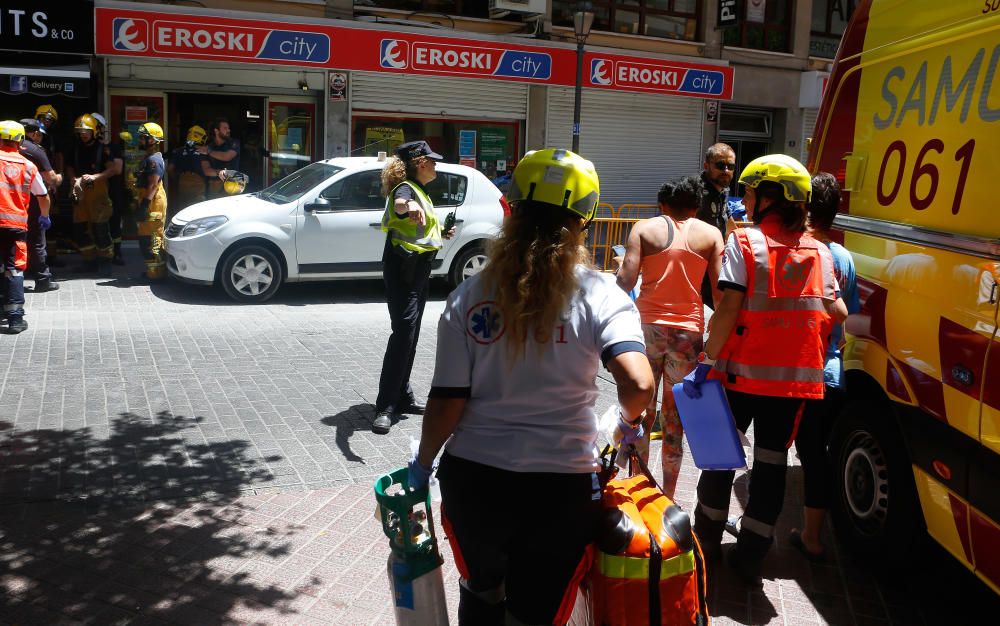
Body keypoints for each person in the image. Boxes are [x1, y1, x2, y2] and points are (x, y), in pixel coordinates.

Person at [408, 148, 654, 625]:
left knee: (482, 592)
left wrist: (421, 463)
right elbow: (639, 382)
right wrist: (628, 422)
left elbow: (448, 400)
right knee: (536, 609)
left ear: (513, 209)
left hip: (475, 481)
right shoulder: (602, 295)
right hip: (561, 488)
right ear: (585, 219)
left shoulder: (470, 295)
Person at [683, 154, 848, 584]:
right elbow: (838, 310)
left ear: (770, 198)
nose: (746, 199)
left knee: (720, 461)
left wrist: (706, 359)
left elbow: (728, 307)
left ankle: (708, 541)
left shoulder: (746, 244)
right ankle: (752, 551)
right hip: (792, 385)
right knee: (772, 464)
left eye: (751, 192)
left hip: (738, 376)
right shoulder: (822, 254)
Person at [616, 175, 724, 497]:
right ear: (695, 207)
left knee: (641, 414)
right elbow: (720, 296)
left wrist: (621, 263)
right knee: (674, 421)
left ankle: (639, 490)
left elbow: (625, 280)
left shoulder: (644, 229)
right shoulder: (711, 235)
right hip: (687, 335)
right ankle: (669, 497)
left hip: (647, 328)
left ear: (663, 204)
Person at [789, 172, 860, 561]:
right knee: (816, 453)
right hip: (831, 372)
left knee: (783, 449)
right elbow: (844, 324)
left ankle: (780, 534)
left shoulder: (795, 250)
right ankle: (813, 534)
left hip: (793, 370)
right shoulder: (845, 258)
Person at [371, 140, 455, 434]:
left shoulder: (421, 191)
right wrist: (411, 207)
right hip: (402, 273)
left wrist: (442, 232)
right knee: (404, 331)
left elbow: (417, 230)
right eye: (432, 161)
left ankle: (402, 396)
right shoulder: (405, 190)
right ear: (420, 163)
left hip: (418, 272)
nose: (435, 165)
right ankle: (385, 406)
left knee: (412, 333)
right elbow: (400, 205)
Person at [0, 121, 50, 334]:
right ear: (20, 141)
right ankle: (15, 319)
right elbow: (43, 196)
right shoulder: (29, 166)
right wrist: (45, 217)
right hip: (16, 226)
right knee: (14, 269)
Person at [66, 114, 120, 275]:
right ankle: (89, 261)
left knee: (100, 228)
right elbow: (69, 167)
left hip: (98, 192)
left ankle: (105, 262)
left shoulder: (103, 149)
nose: (83, 134)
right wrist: (72, 179)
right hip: (80, 191)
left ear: (94, 131)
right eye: (81, 131)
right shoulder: (74, 148)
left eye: (87, 131)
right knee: (80, 228)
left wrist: (94, 177)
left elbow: (112, 170)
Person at [18, 119, 62, 292]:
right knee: (36, 239)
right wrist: (60, 178)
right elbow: (50, 179)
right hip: (33, 202)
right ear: (35, 133)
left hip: (9, 202)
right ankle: (42, 279)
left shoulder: (6, 149)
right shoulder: (35, 151)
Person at [696, 143, 737, 310]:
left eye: (731, 166)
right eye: (720, 165)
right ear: (707, 166)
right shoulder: (697, 191)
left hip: (716, 261)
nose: (726, 170)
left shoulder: (722, 191)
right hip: (698, 263)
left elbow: (727, 219)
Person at [91, 113, 127, 266]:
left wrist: (108, 154)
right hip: (95, 191)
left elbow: (118, 169)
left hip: (113, 189)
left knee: (114, 221)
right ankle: (100, 253)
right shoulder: (90, 147)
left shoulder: (113, 147)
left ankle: (117, 253)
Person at [133, 123, 168, 280]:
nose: (140, 140)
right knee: (145, 238)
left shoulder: (154, 160)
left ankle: (157, 275)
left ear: (153, 140)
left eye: (144, 138)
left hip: (153, 202)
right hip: (149, 199)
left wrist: (145, 205)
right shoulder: (149, 158)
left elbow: (153, 184)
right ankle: (152, 272)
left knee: (152, 239)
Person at [168, 125, 209, 215]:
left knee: (183, 212)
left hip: (182, 183)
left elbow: (170, 169)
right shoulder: (206, 151)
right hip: (199, 184)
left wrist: (177, 179)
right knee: (197, 214)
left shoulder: (178, 151)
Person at [200, 118, 240, 199]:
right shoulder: (209, 146)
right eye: (225, 128)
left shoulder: (234, 142)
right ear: (216, 131)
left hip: (233, 186)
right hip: (214, 187)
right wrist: (219, 172)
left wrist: (209, 152)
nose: (228, 130)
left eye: (228, 128)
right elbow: (206, 170)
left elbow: (227, 157)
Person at [34, 104, 62, 174]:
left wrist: (59, 173)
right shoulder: (28, 132)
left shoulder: (53, 138)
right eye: (43, 118)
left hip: (47, 172)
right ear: (38, 118)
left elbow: (58, 156)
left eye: (49, 120)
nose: (46, 121)